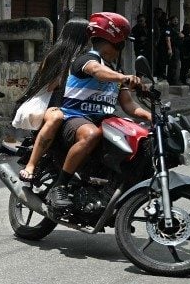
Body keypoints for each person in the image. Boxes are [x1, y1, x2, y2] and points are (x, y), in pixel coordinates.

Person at [47, 12, 152, 210]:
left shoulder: (115, 72)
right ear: (112, 40)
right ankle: (59, 186)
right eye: (120, 43)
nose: (121, 49)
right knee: (91, 134)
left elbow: (129, 105)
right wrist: (123, 78)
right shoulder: (85, 60)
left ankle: (111, 189)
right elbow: (96, 71)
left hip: (103, 120)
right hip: (75, 118)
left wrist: (150, 116)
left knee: (139, 139)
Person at [12, 18, 90, 184]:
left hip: (77, 105)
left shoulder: (89, 57)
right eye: (88, 33)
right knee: (56, 118)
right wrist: (69, 73)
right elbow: (50, 87)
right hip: (53, 102)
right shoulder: (56, 56)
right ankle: (31, 165)